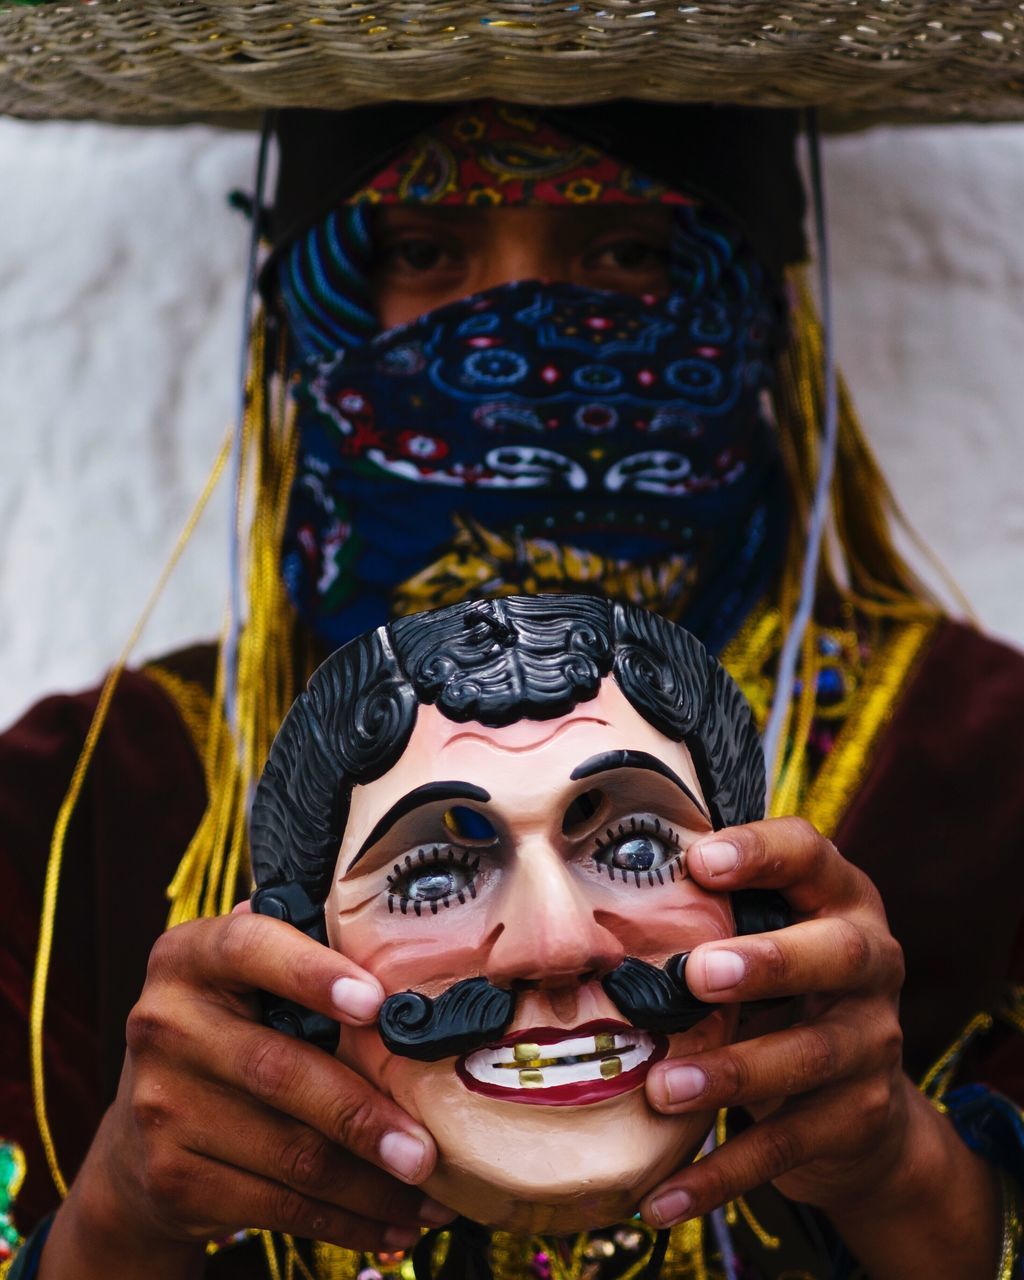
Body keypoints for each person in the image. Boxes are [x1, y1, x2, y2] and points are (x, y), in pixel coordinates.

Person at [2, 100, 1023, 1280]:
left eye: (625, 253)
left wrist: (910, 1174)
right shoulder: (83, 805)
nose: (525, 330)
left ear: (750, 301)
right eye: (426, 254)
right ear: (312, 307)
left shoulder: (982, 769)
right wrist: (119, 1218)